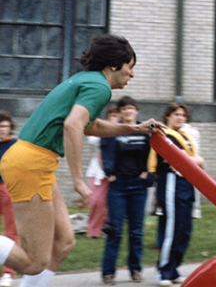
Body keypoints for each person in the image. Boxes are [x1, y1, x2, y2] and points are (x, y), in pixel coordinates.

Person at [0, 34, 160, 287]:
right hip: (30, 165)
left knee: (64, 242)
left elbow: (90, 124)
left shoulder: (88, 80)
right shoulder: (100, 87)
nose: (132, 75)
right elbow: (73, 124)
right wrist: (77, 180)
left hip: (32, 162)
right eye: (131, 67)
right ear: (114, 65)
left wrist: (136, 129)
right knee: (34, 262)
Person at [148, 102, 204, 286]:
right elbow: (175, 160)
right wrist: (191, 160)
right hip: (171, 181)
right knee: (172, 228)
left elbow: (198, 160)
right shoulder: (164, 134)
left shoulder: (185, 135)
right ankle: (163, 271)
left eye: (183, 115)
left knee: (184, 229)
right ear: (168, 116)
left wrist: (191, 160)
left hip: (186, 182)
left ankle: (173, 268)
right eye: (176, 114)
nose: (180, 118)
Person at [100, 97, 152, 285]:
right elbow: (104, 150)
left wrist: (147, 174)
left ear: (136, 111)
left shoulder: (145, 130)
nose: (128, 111)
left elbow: (153, 153)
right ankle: (108, 272)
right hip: (118, 186)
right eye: (125, 109)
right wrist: (110, 174)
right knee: (115, 230)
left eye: (131, 108)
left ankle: (135, 269)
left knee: (136, 231)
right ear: (120, 112)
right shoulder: (113, 130)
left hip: (138, 185)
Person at [86, 106, 120, 240]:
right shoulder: (102, 132)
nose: (114, 119)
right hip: (98, 172)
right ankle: (94, 230)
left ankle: (109, 229)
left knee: (113, 203)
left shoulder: (124, 132)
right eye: (111, 116)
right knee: (96, 201)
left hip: (116, 172)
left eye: (117, 116)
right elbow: (93, 138)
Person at [0, 111, 18, 287]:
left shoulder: (15, 144)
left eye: (5, 126)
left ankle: (8, 272)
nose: (2, 130)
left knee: (11, 232)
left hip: (8, 189)